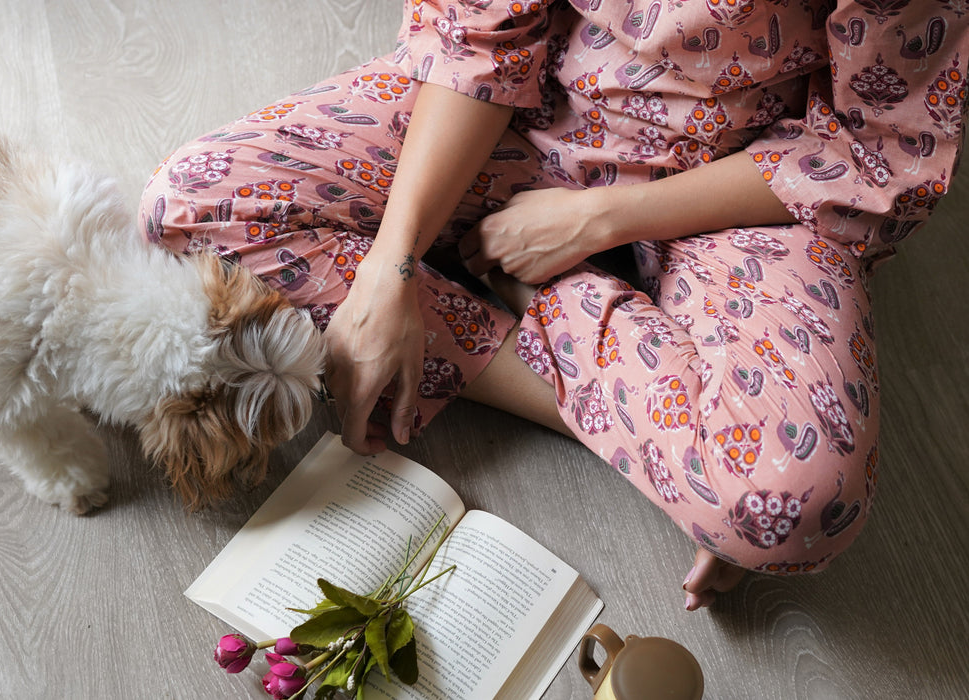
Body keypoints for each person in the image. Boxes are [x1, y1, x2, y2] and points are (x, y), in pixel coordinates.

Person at [138, 0, 967, 610]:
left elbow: (876, 150)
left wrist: (594, 223)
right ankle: (636, 410)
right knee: (187, 208)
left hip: (743, 180)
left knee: (799, 501)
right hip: (533, 102)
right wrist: (390, 270)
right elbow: (478, 32)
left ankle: (545, 294)